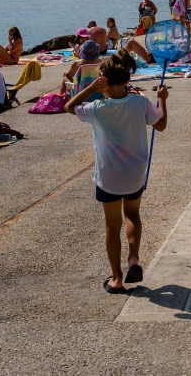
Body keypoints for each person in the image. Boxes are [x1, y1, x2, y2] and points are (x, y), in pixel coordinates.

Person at [67, 52, 168, 294]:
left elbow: (68, 107)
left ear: (103, 80)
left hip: (108, 176)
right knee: (132, 215)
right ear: (126, 79)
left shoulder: (97, 108)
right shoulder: (140, 102)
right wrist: (161, 98)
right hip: (135, 172)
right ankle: (134, 259)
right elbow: (161, 124)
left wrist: (90, 88)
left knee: (112, 226)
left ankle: (117, 278)